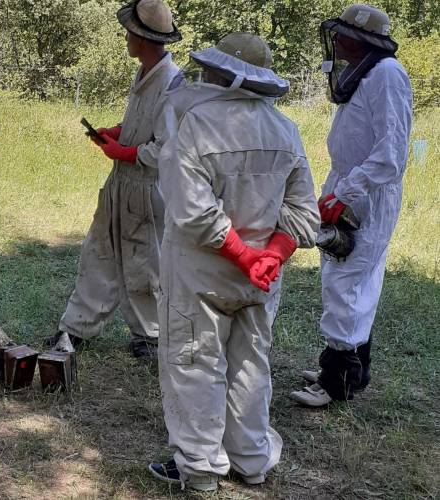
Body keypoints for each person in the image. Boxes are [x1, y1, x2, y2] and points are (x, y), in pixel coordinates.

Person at [147, 33, 320, 491]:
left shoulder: (197, 123)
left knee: (194, 361)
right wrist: (270, 257)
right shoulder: (285, 129)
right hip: (261, 276)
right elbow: (305, 213)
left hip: (201, 272)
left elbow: (192, 211)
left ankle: (201, 469)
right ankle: (251, 459)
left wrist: (245, 256)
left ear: (221, 73)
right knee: (251, 364)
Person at [290, 4, 413, 407]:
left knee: (347, 280)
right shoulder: (367, 73)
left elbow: (391, 155)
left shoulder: (388, 76)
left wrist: (345, 194)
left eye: (344, 33)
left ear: (363, 40)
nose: (337, 40)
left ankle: (336, 380)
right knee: (353, 277)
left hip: (367, 193)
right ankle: (352, 369)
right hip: (351, 184)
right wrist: (338, 189)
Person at [45, 0, 182, 358]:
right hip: (122, 181)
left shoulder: (171, 83)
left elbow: (167, 148)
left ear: (144, 37)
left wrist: (124, 152)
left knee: (143, 262)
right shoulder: (145, 74)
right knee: (98, 253)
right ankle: (75, 329)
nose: (125, 37)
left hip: (147, 187)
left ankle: (150, 336)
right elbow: (140, 124)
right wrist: (116, 133)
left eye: (130, 32)